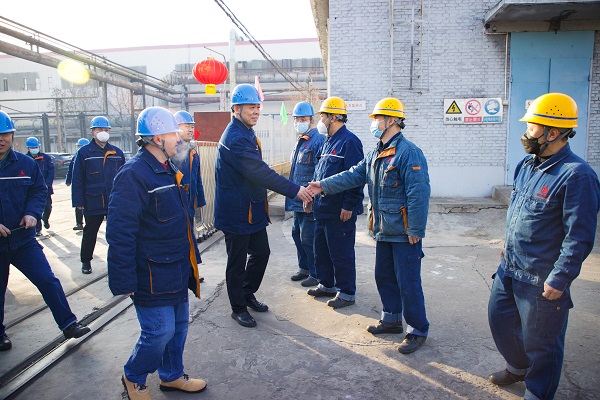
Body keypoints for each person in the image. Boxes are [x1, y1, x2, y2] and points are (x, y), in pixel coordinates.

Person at [487, 93, 600, 399]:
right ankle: (518, 368)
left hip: (541, 278)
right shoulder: (527, 165)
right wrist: (508, 243)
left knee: (543, 344)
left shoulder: (577, 176)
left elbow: (579, 236)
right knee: (500, 321)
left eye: (532, 127)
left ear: (553, 133)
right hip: (510, 267)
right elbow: (518, 211)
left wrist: (560, 278)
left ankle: (538, 392)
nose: (526, 133)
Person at [308, 97, 431, 353]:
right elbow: (353, 175)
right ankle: (391, 319)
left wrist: (416, 229)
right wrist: (323, 185)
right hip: (383, 229)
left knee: (408, 282)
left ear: (392, 120)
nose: (374, 123)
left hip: (404, 231)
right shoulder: (376, 153)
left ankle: (417, 329)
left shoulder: (408, 153)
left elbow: (419, 193)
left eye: (378, 119)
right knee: (384, 276)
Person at [106, 106, 205, 399]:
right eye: (174, 133)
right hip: (150, 272)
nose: (179, 138)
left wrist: (192, 260)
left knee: (179, 327)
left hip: (176, 266)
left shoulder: (167, 168)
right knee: (159, 331)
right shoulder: (133, 175)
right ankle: (134, 377)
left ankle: (171, 375)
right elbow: (120, 232)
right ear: (158, 138)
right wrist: (123, 279)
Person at [215, 84, 312, 328]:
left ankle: (246, 293)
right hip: (236, 212)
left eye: (258, 107)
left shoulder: (245, 131)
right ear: (236, 109)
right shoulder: (235, 138)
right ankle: (238, 308)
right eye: (251, 107)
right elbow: (260, 172)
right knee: (236, 263)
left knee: (261, 253)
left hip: (251, 208)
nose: (256, 111)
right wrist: (295, 190)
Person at [0, 111, 90, 352]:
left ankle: (69, 324)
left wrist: (32, 212)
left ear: (12, 135)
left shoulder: (26, 164)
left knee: (48, 280)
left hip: (23, 240)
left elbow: (38, 191)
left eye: (4, 134)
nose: (1, 139)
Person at [305, 96, 364, 309]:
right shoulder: (328, 141)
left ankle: (346, 292)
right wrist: (311, 197)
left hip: (339, 211)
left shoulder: (350, 142)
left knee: (341, 253)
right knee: (321, 250)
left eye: (323, 116)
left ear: (333, 117)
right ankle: (326, 284)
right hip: (323, 208)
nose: (321, 120)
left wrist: (349, 205)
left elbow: (356, 177)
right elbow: (319, 174)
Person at [71, 116, 125, 274]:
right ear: (93, 132)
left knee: (117, 234)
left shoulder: (117, 153)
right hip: (92, 201)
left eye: (106, 130)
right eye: (100, 129)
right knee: (90, 233)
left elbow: (125, 177)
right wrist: (78, 202)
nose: (104, 132)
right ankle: (86, 261)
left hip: (114, 201)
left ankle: (118, 262)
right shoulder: (84, 153)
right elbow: (77, 178)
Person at [286, 101, 325, 287]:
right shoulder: (300, 141)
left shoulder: (318, 141)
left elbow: (319, 173)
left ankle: (315, 273)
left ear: (312, 120)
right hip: (297, 199)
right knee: (296, 234)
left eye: (303, 119)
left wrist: (311, 197)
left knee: (309, 239)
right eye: (297, 119)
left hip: (308, 200)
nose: (299, 122)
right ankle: (304, 268)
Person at [173, 111, 206, 283]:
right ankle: (184, 273)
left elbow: (197, 179)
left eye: (192, 127)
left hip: (189, 204)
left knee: (189, 239)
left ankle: (191, 272)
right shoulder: (171, 152)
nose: (191, 130)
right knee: (180, 240)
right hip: (176, 205)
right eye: (187, 126)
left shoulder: (192, 152)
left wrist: (199, 200)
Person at [25, 136, 54, 236]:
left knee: (48, 207)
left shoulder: (46, 158)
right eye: (32, 147)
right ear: (28, 148)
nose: (35, 149)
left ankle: (45, 219)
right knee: (35, 208)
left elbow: (51, 172)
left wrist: (47, 184)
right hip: (32, 190)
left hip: (45, 189)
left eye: (36, 147)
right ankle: (38, 229)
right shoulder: (25, 160)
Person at [65, 138, 89, 231]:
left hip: (89, 185)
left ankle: (89, 223)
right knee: (78, 204)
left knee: (88, 205)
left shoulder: (90, 157)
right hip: (79, 184)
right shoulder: (75, 157)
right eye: (78, 146)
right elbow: (71, 169)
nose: (79, 148)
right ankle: (79, 223)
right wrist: (68, 180)